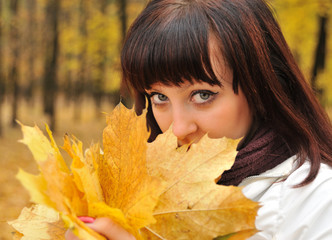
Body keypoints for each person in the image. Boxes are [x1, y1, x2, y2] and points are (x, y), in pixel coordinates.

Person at [66, 0, 332, 239]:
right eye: (159, 97)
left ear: (261, 88)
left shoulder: (317, 204)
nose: (178, 128)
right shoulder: (126, 192)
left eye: (203, 95)